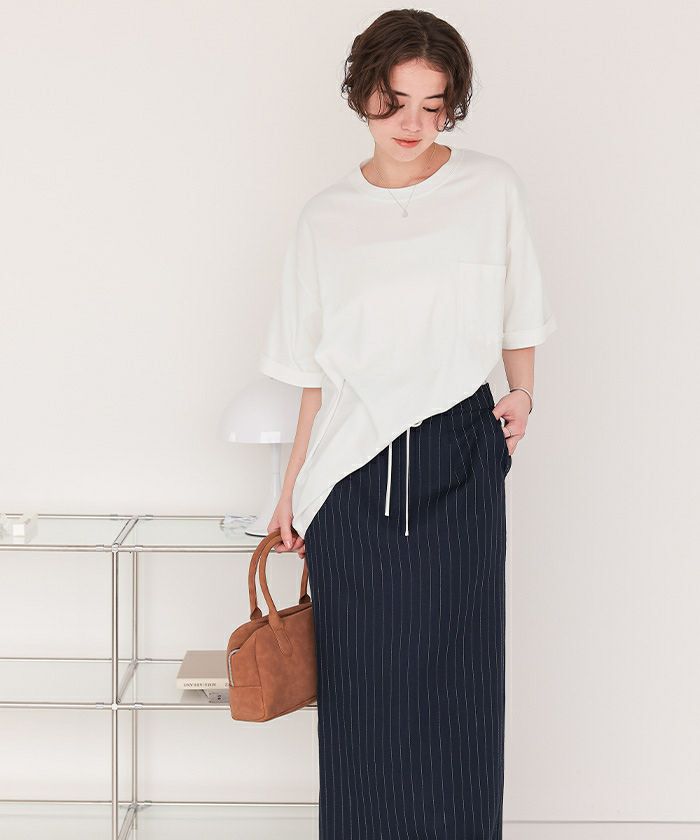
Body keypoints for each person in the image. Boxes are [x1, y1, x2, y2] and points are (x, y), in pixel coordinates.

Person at [259, 9, 557, 839]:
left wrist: (523, 394)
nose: (412, 124)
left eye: (433, 105)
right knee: (363, 690)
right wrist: (290, 489)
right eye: (394, 103)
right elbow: (314, 378)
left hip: (459, 449)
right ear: (362, 94)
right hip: (350, 472)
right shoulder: (325, 218)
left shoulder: (491, 189)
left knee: (460, 682)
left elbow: (520, 309)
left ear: (453, 105)